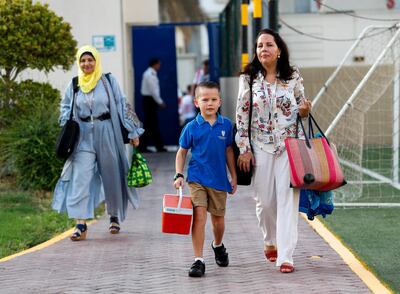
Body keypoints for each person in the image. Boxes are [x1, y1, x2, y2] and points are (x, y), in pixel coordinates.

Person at [235, 29, 312, 273]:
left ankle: (286, 256)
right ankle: (270, 239)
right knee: (266, 202)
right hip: (260, 146)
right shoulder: (248, 78)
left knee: (288, 201)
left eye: (269, 44)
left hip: (290, 146)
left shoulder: (293, 75)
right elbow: (241, 114)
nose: (263, 49)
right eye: (259, 46)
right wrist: (244, 148)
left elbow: (302, 104)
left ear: (279, 50)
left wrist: (305, 110)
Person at [53, 45, 144, 241]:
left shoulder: (108, 81)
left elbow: (122, 104)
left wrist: (133, 131)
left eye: (90, 60)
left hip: (107, 131)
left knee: (111, 175)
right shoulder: (75, 84)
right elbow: (66, 106)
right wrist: (65, 123)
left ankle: (113, 215)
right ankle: (80, 224)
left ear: (96, 61)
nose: (87, 64)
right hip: (82, 135)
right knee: (80, 178)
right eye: (83, 61)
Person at [174, 81, 237, 278]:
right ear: (196, 102)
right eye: (205, 99)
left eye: (213, 99)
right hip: (196, 179)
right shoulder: (191, 127)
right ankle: (198, 260)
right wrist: (179, 174)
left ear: (219, 102)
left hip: (218, 180)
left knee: (218, 221)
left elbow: (228, 151)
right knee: (199, 216)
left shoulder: (226, 125)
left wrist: (233, 176)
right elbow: (182, 152)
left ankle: (217, 245)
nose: (209, 103)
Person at [140, 58, 167, 152]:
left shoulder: (150, 73)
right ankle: (147, 146)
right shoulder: (150, 75)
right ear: (155, 64)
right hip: (150, 101)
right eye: (159, 64)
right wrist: (160, 102)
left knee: (150, 125)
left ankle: (151, 146)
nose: (159, 66)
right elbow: (153, 91)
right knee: (150, 125)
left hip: (149, 101)